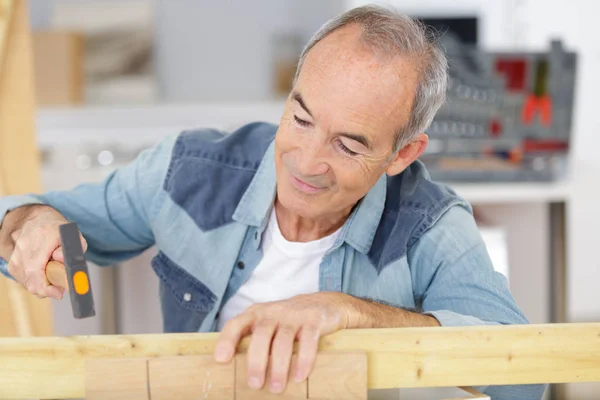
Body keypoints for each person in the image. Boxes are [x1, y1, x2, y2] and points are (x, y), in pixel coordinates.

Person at [0, 5, 545, 399]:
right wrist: (31, 223)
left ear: (403, 153)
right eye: (301, 118)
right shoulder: (188, 172)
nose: (305, 163)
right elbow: (27, 214)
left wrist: (351, 313)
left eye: (348, 144)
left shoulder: (429, 223)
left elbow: (524, 380)